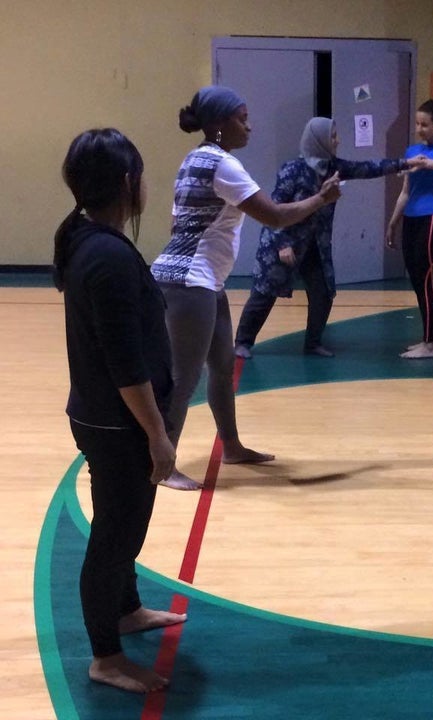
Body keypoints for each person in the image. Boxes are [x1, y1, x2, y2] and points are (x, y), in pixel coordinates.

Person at [151, 87, 341, 490]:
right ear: (219, 125)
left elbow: (176, 225)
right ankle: (163, 465)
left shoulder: (193, 159)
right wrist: (321, 199)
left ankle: (232, 446)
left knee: (222, 367)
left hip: (199, 280)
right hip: (190, 281)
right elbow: (274, 216)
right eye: (242, 118)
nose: (249, 125)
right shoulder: (223, 165)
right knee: (183, 378)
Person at [53, 128, 186, 693]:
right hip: (117, 422)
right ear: (130, 184)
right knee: (115, 534)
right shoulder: (105, 255)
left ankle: (127, 610)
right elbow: (124, 363)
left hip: (106, 416)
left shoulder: (87, 235)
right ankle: (105, 657)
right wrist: (157, 434)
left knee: (127, 523)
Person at [234, 116, 415, 359]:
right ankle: (242, 342)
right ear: (318, 140)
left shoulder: (334, 167)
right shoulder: (292, 170)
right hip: (281, 242)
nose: (337, 141)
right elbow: (274, 209)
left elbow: (368, 168)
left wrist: (404, 163)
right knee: (264, 292)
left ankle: (313, 343)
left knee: (323, 292)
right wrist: (284, 244)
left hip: (315, 245)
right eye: (333, 136)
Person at [385, 99, 433, 358]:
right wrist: (393, 223)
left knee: (426, 279)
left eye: (425, 124)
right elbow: (406, 191)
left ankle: (429, 344)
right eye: (417, 124)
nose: (419, 129)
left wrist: (426, 163)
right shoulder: (412, 150)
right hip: (412, 219)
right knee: (418, 280)